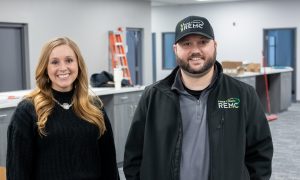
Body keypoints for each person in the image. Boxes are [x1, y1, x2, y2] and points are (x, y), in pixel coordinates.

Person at [123, 16, 273, 180]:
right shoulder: (153, 96)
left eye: (202, 42)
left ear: (215, 46)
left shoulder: (242, 95)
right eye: (186, 44)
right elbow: (134, 156)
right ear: (175, 49)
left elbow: (260, 154)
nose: (195, 50)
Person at [6, 37, 120, 180]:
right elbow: (18, 170)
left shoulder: (94, 107)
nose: (63, 68)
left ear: (78, 64)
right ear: (45, 68)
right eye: (54, 62)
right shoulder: (28, 111)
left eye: (69, 60)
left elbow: (109, 163)